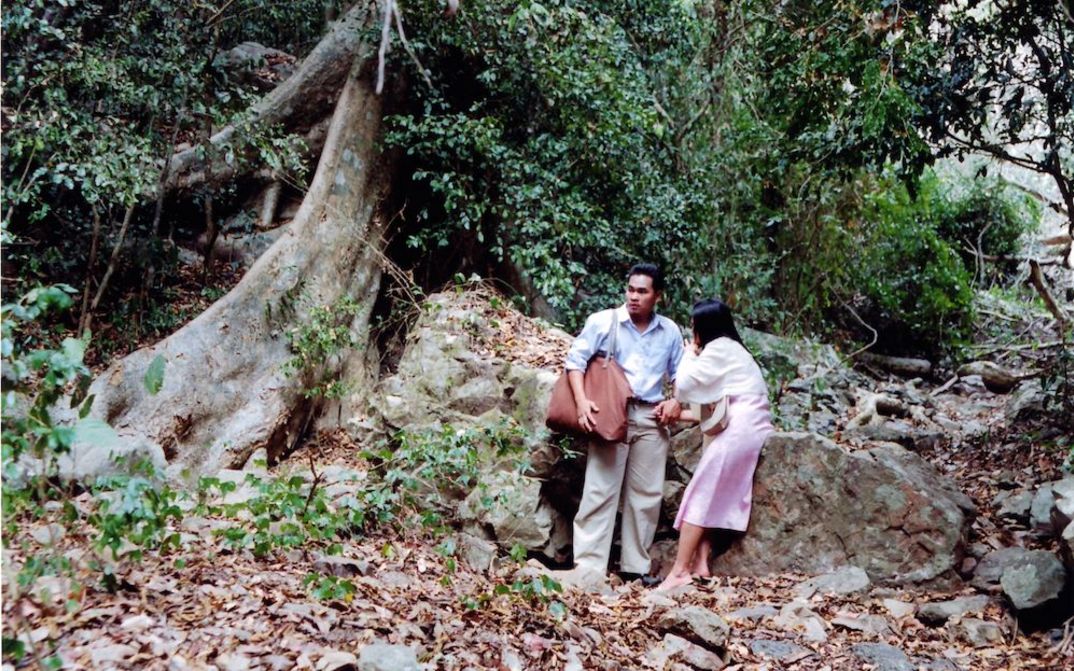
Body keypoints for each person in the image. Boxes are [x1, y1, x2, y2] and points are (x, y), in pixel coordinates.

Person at [563, 263, 684, 582]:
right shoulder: (604, 322)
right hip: (611, 412)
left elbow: (680, 372)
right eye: (630, 289)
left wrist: (676, 399)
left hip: (651, 415)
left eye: (642, 291)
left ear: (657, 295)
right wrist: (581, 402)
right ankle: (588, 566)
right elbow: (574, 362)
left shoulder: (669, 331)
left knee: (645, 494)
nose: (633, 297)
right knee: (600, 489)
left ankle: (635, 567)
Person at [657, 298, 773, 591]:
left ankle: (679, 570)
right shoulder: (731, 350)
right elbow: (711, 407)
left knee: (702, 490)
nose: (692, 329)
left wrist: (689, 354)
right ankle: (700, 564)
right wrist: (675, 414)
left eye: (694, 324)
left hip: (742, 424)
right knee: (712, 490)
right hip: (746, 421)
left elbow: (683, 385)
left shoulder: (718, 348)